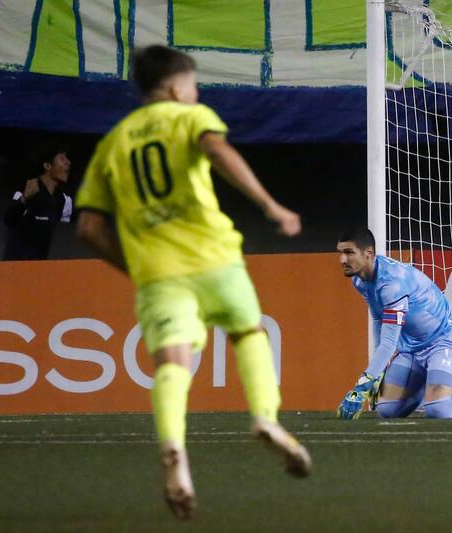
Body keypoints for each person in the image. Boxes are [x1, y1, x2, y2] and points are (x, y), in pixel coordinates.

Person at [75, 45, 311, 520]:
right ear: (176, 88)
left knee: (173, 363)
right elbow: (217, 149)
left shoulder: (112, 143)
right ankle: (265, 418)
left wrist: (138, 269)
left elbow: (88, 228)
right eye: (194, 86)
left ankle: (174, 453)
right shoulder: (190, 117)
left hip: (158, 273)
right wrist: (270, 205)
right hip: (214, 257)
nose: (196, 93)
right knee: (249, 334)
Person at [336, 227, 452, 420]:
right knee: (388, 411)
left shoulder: (392, 284)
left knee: (439, 410)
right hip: (411, 350)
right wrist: (378, 371)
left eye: (349, 253)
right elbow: (378, 319)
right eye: (340, 253)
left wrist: (362, 386)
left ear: (368, 253)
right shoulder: (360, 280)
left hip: (443, 343)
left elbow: (389, 343)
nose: (342, 260)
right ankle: (433, 389)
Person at [3, 142, 73, 260]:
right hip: (15, 268)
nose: (68, 162)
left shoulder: (63, 200)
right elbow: (9, 219)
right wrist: (25, 198)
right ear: (47, 166)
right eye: (62, 159)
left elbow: (85, 216)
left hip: (39, 269)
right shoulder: (25, 191)